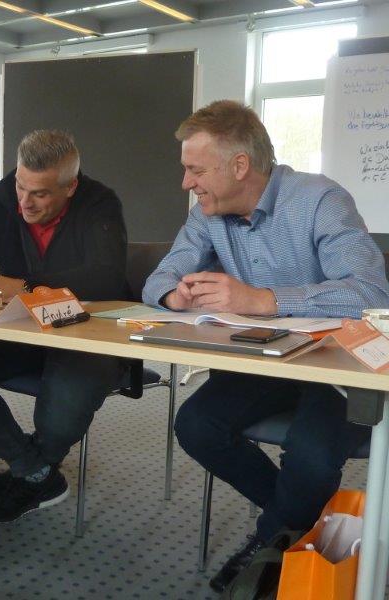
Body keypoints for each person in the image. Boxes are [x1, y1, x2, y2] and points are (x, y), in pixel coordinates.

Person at [142, 100, 389, 592]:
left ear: (240, 165)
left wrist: (265, 300)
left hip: (339, 366)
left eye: (196, 170)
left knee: (311, 455)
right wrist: (174, 294)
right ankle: (294, 525)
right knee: (196, 425)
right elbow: (160, 277)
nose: (186, 183)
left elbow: (372, 294)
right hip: (270, 360)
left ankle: (270, 543)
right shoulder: (208, 214)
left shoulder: (320, 199)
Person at [0, 130, 131, 523]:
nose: (24, 202)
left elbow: (106, 278)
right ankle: (33, 469)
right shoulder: (3, 196)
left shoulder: (100, 202)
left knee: (64, 401)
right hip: (23, 329)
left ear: (70, 187)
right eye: (21, 186)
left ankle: (32, 472)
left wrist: (23, 286)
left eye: (40, 194)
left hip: (87, 335)